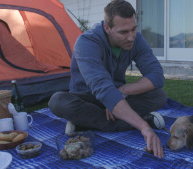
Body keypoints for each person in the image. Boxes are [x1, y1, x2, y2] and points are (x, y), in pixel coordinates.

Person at [48, 0, 167, 158]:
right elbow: (102, 88)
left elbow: (157, 76)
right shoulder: (86, 43)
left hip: (118, 96)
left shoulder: (136, 39)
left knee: (158, 95)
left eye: (133, 29)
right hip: (87, 97)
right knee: (57, 101)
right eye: (123, 32)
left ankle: (84, 124)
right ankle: (136, 120)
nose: (131, 37)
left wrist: (122, 90)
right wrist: (144, 126)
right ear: (107, 28)